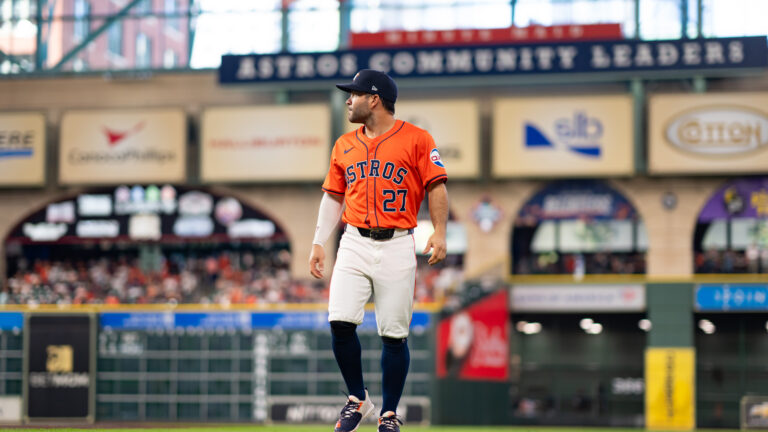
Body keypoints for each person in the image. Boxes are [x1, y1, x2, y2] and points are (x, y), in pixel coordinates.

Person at [309, 69, 448, 432]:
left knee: (393, 333)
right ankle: (357, 399)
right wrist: (318, 241)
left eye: (353, 94)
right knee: (339, 321)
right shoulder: (343, 144)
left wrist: (440, 231)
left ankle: (389, 414)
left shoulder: (417, 139)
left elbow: (436, 187)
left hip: (399, 241)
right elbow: (332, 197)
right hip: (353, 239)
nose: (348, 100)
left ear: (374, 99)